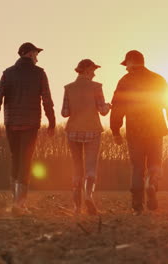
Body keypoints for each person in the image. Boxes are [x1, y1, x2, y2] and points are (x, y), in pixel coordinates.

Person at [110, 50, 168, 214]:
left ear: (131, 62)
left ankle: (137, 205)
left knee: (137, 168)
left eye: (126, 64)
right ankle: (152, 183)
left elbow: (117, 106)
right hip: (156, 128)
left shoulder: (125, 81)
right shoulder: (158, 79)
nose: (125, 68)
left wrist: (115, 130)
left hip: (135, 130)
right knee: (155, 163)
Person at [0, 42, 56, 215]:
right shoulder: (39, 73)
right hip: (30, 123)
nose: (37, 57)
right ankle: (20, 205)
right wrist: (52, 122)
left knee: (15, 158)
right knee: (25, 161)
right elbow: (47, 100)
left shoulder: (8, 73)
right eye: (36, 53)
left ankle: (15, 201)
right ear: (29, 53)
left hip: (11, 123)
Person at [61, 59, 111, 215]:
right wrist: (108, 106)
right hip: (92, 131)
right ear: (88, 70)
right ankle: (88, 195)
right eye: (94, 70)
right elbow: (102, 111)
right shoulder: (97, 87)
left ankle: (76, 207)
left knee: (77, 169)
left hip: (73, 131)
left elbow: (64, 113)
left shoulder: (68, 88)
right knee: (90, 168)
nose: (95, 73)